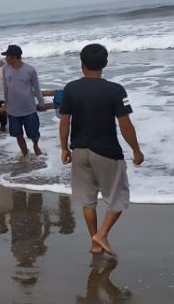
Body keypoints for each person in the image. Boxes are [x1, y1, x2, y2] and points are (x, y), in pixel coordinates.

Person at [59, 44, 144, 256]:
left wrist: (64, 148)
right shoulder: (115, 90)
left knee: (87, 200)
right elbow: (125, 124)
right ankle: (102, 234)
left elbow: (64, 122)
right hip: (106, 152)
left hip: (80, 150)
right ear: (105, 64)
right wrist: (136, 150)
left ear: (82, 64)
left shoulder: (70, 88)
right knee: (118, 198)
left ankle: (95, 242)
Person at [2, 45, 47, 156]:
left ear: (14, 57)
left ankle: (35, 145)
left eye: (7, 56)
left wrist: (41, 103)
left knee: (33, 133)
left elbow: (36, 88)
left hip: (29, 109)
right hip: (12, 110)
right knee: (17, 134)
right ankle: (25, 153)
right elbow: (5, 88)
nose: (5, 58)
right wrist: (6, 103)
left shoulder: (30, 70)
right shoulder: (5, 69)